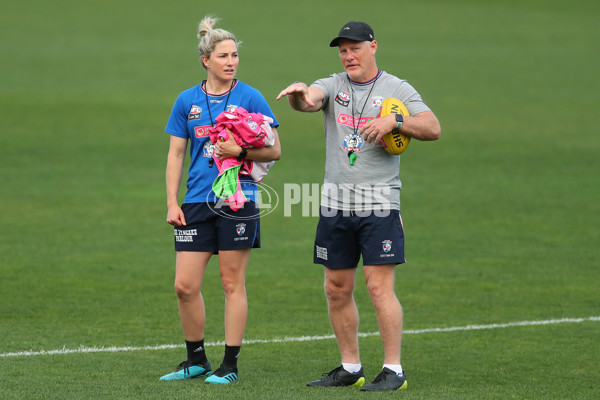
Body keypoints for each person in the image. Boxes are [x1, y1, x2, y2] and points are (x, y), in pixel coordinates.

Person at [276, 21, 440, 391]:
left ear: (373, 46)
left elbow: (432, 128)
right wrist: (300, 95)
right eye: (343, 50)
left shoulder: (396, 89)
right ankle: (350, 366)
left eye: (355, 48)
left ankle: (394, 370)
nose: (348, 55)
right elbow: (310, 101)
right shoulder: (334, 84)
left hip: (379, 204)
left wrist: (394, 120)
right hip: (335, 205)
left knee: (378, 288)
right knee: (335, 287)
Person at [161, 15, 281, 385]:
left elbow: (275, 150)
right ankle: (195, 359)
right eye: (224, 56)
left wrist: (240, 151)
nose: (231, 62)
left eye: (234, 56)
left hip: (237, 200)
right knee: (184, 285)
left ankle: (229, 365)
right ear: (206, 60)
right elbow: (177, 155)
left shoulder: (251, 96)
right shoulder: (187, 101)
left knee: (231, 283)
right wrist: (171, 201)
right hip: (196, 201)